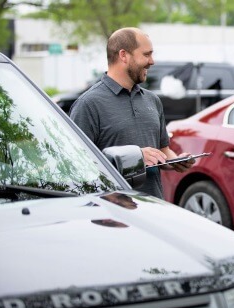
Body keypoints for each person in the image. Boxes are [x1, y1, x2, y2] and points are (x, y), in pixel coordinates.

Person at [70, 27, 193, 199]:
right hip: (113, 213)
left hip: (153, 206)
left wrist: (175, 161)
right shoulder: (88, 104)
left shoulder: (152, 100)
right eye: (146, 54)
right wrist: (134, 158)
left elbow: (162, 150)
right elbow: (77, 165)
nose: (152, 61)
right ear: (123, 55)